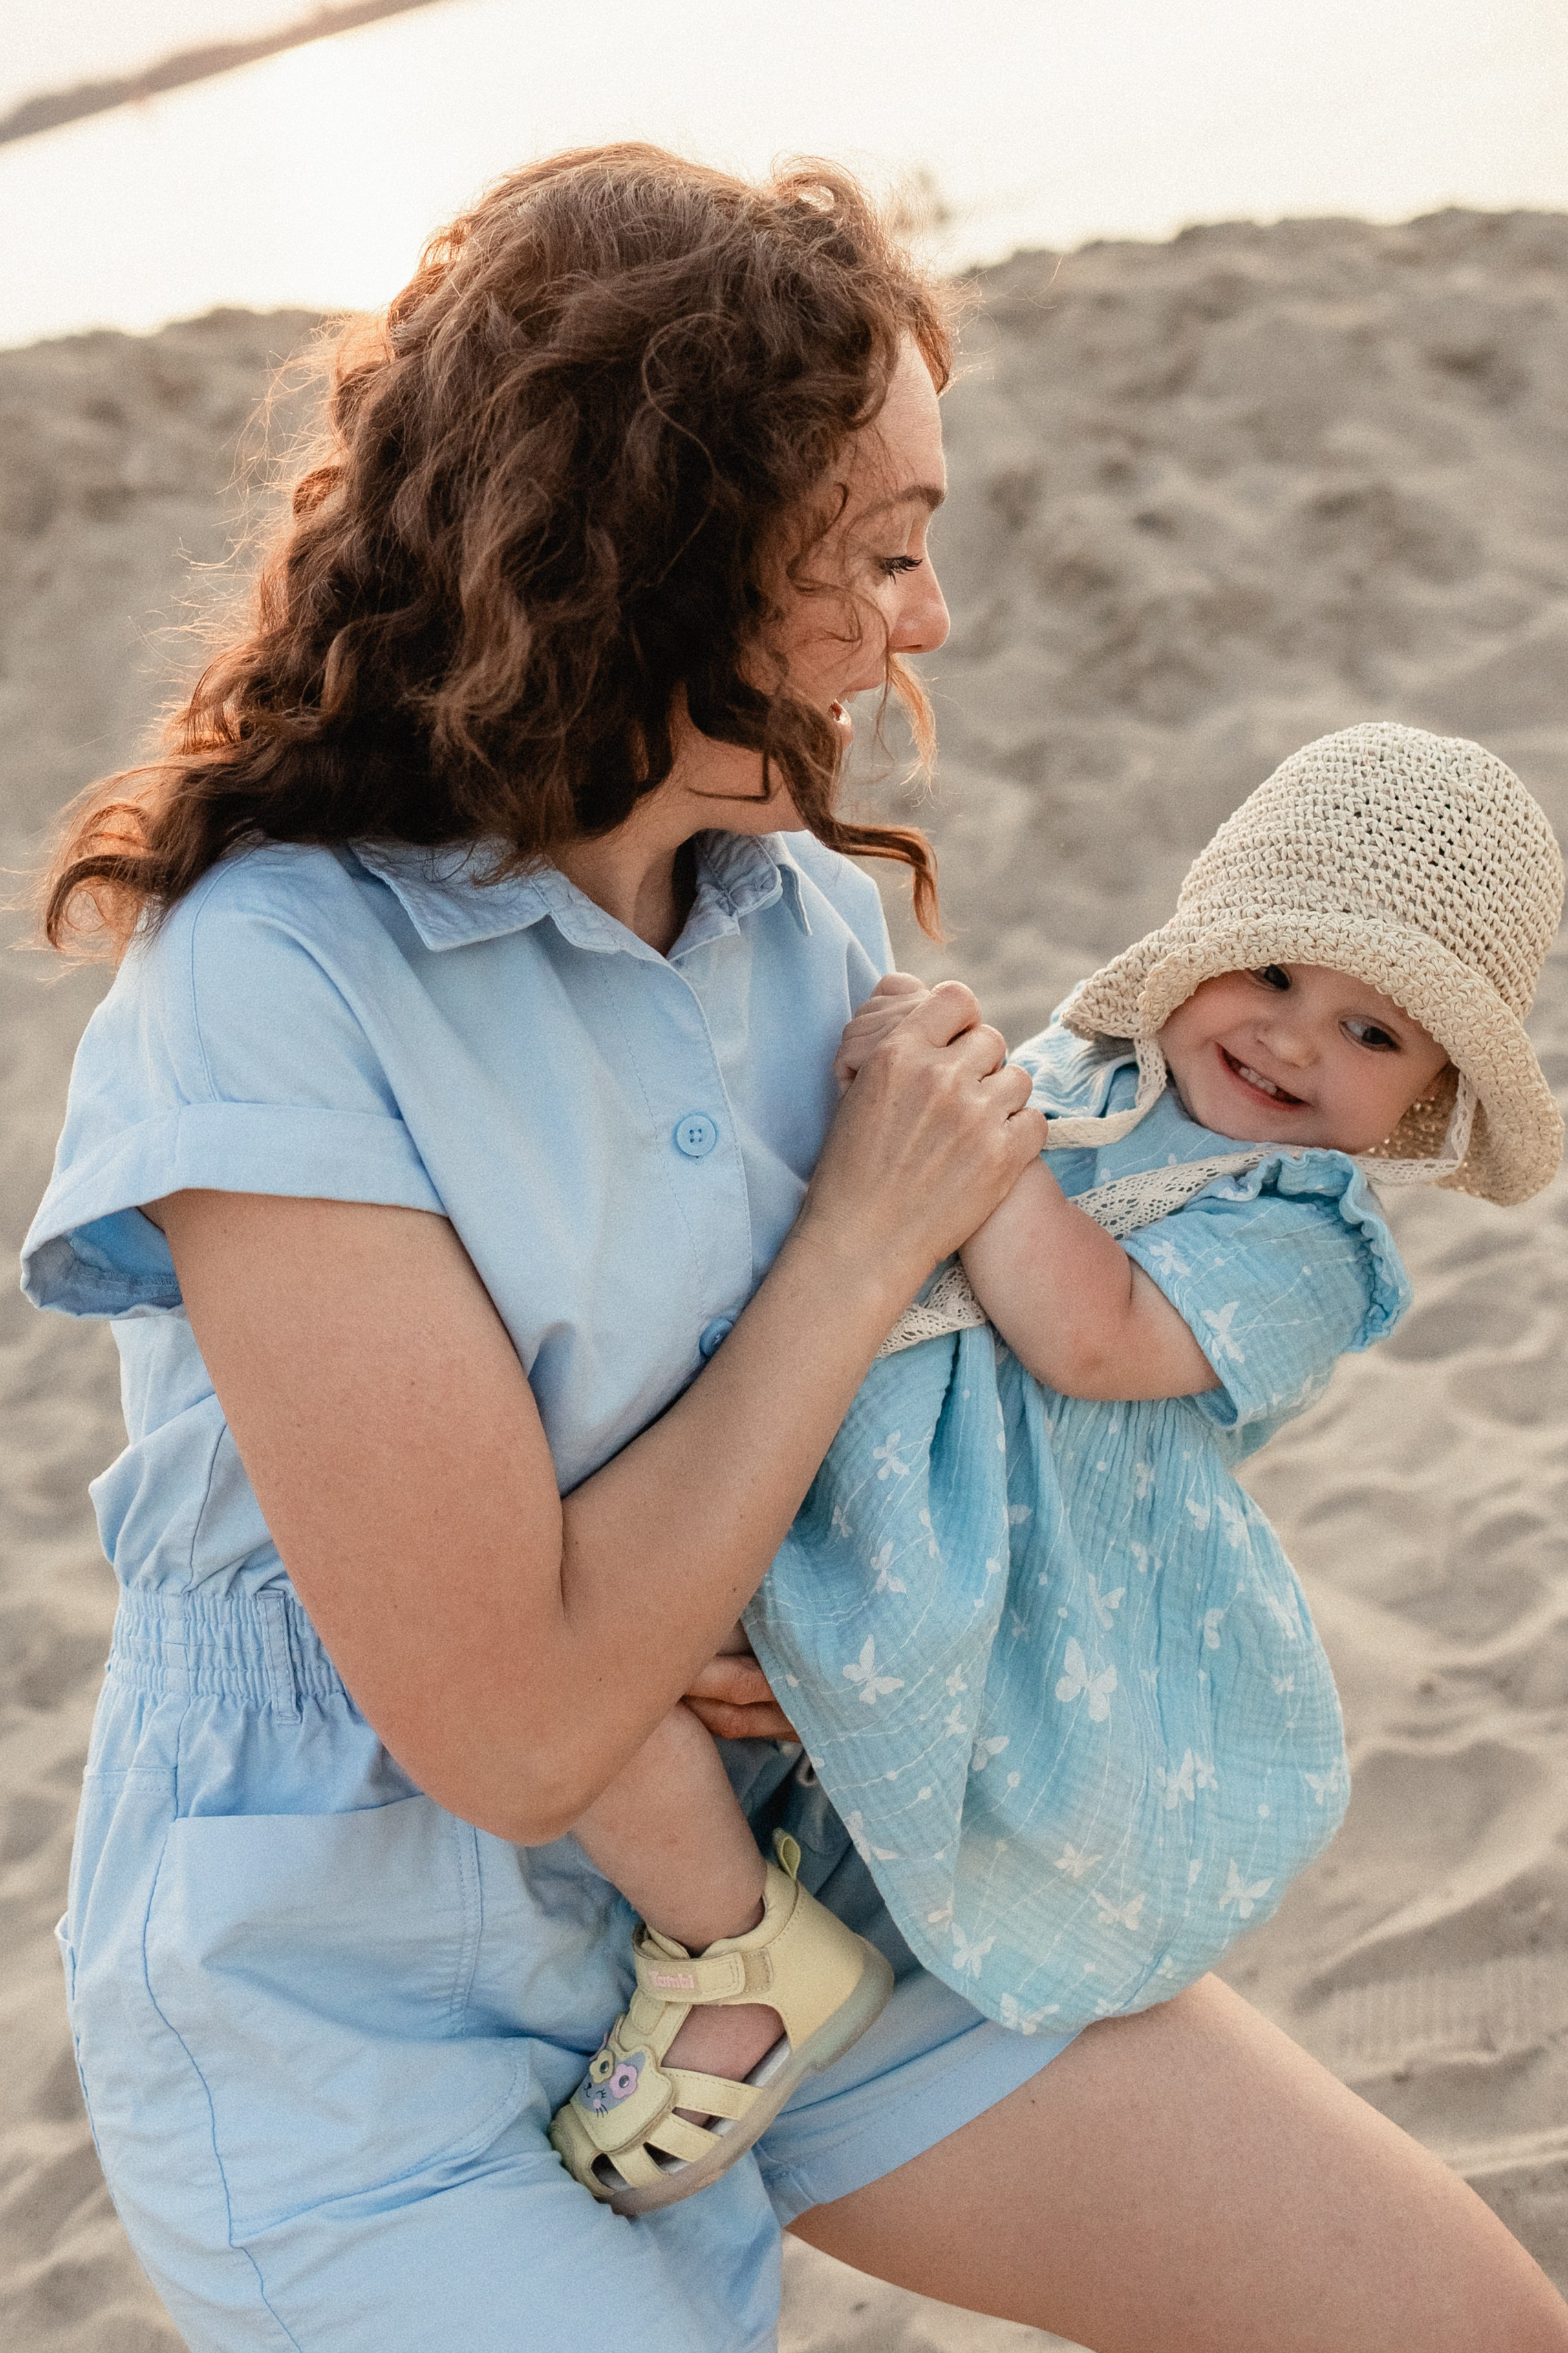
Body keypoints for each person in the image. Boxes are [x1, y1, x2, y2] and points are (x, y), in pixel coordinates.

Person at [25, 146, 1568, 2353]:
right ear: (656, 556)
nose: (926, 622)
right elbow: (522, 1715)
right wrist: (860, 1244)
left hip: (829, 1875)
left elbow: (903, 1416)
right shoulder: (272, 980)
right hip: (361, 2009)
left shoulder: (791, 909)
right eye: (881, 549)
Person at [549, 724, 1566, 2211]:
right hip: (835, 1462)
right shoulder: (1084, 1071)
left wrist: (971, 1138)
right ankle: (723, 1912)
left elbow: (1090, 1333)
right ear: (1198, 944)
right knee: (580, 1638)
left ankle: (735, 1967)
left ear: (1419, 1101)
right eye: (1275, 974)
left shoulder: (1305, 1242)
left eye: (1372, 1033)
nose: (1295, 1041)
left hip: (997, 1564)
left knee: (640, 1676)